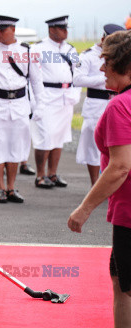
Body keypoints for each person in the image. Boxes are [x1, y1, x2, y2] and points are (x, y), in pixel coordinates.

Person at [68, 30, 131, 328]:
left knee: (125, 286)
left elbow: (120, 167)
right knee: (120, 281)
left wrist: (84, 209)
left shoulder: (121, 105)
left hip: (129, 212)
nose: (101, 68)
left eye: (107, 61)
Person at [0, 15, 45, 203]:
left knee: (16, 145)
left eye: (2, 30)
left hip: (19, 103)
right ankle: (0, 188)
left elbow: (36, 80)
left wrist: (40, 105)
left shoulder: (26, 51)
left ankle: (11, 187)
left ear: (13, 30)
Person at [30, 16, 81, 189]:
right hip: (47, 96)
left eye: (66, 28)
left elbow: (77, 74)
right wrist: (35, 102)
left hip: (65, 97)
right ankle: (40, 175)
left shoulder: (70, 49)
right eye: (62, 28)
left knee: (59, 137)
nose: (65, 31)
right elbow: (32, 77)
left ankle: (52, 173)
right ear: (52, 29)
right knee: (46, 137)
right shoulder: (38, 48)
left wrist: (76, 93)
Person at [74, 24, 125, 186]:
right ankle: (95, 184)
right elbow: (78, 80)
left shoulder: (120, 55)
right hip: (96, 103)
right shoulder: (88, 55)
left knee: (116, 145)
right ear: (103, 39)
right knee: (93, 146)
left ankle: (112, 183)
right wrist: (104, 81)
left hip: (116, 100)